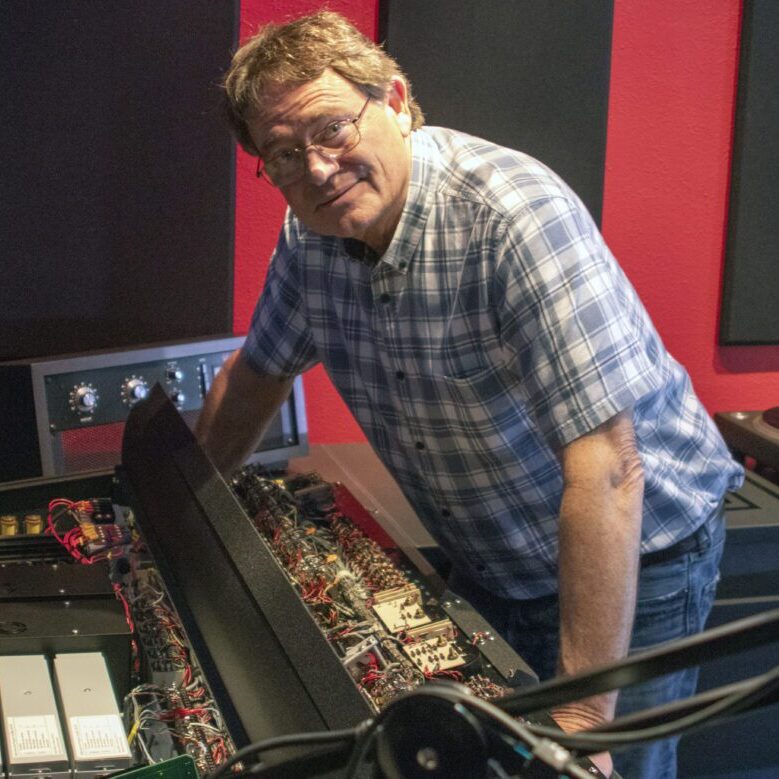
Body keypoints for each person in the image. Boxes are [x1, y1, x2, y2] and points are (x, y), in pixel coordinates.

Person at [195, 11, 744, 778]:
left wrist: (580, 724)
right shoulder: (309, 234)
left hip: (637, 550)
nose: (315, 169)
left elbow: (607, 469)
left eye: (330, 130)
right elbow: (256, 376)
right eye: (282, 155)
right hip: (496, 554)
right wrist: (185, 508)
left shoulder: (509, 216)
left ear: (393, 100)